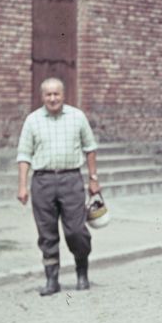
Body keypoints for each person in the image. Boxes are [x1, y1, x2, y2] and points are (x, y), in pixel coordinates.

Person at [16, 77, 100, 296]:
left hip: (71, 180)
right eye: (48, 94)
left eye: (56, 94)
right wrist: (22, 186)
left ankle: (82, 272)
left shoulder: (77, 117)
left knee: (76, 231)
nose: (52, 98)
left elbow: (90, 148)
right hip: (42, 181)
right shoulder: (32, 120)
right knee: (46, 233)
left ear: (63, 95)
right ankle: (52, 280)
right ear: (42, 96)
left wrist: (93, 179)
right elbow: (24, 155)